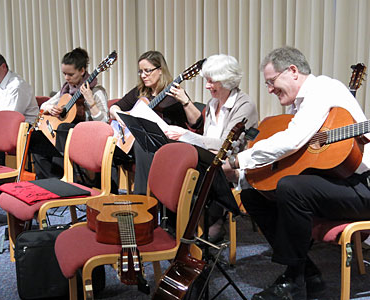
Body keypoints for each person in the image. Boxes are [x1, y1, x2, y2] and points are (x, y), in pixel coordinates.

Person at [229, 46, 370, 300]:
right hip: (338, 182)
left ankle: (294, 281)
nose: (270, 89)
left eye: (271, 82)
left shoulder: (324, 90)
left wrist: (239, 161)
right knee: (255, 195)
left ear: (292, 71)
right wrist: (245, 175)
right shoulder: (300, 106)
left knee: (290, 188)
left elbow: (291, 141)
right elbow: (298, 150)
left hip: (363, 187)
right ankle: (309, 275)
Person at [164, 54, 258, 242]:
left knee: (207, 168)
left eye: (212, 81)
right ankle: (179, 221)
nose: (207, 86)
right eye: (207, 81)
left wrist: (188, 136)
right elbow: (209, 141)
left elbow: (228, 145)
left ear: (228, 80)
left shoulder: (244, 105)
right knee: (176, 162)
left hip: (234, 162)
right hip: (211, 157)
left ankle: (212, 222)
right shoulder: (212, 103)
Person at [109, 50, 197, 195]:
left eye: (148, 71)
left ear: (160, 70)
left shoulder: (174, 93)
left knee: (141, 143)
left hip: (167, 142)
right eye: (141, 72)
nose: (143, 75)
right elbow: (115, 106)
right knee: (109, 144)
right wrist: (118, 114)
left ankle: (142, 199)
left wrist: (185, 101)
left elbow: (195, 124)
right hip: (140, 141)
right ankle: (110, 195)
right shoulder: (140, 91)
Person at [30, 47, 109, 180]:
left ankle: (62, 180)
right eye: (64, 74)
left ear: (82, 70)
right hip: (65, 138)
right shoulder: (67, 90)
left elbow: (104, 123)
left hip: (88, 138)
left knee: (63, 129)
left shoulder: (96, 91)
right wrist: (50, 108)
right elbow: (43, 106)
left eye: (70, 74)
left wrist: (91, 101)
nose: (66, 78)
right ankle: (48, 181)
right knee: (37, 137)